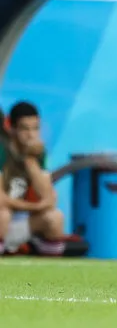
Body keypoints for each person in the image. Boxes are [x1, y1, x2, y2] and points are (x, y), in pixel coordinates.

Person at [0, 102, 65, 256]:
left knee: (55, 218)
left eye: (35, 128)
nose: (31, 135)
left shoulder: (38, 154)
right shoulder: (2, 151)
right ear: (12, 127)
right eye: (25, 129)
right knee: (3, 214)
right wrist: (35, 208)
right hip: (3, 220)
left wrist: (30, 159)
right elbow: (1, 200)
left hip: (21, 224)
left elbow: (48, 199)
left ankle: (48, 274)